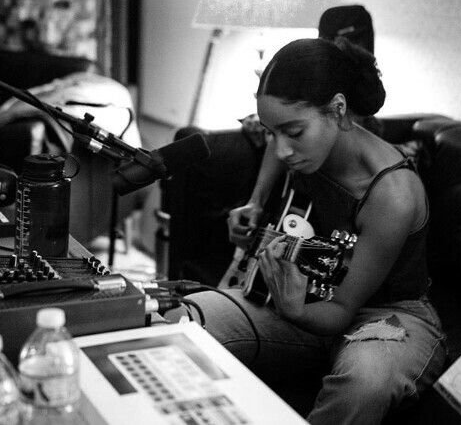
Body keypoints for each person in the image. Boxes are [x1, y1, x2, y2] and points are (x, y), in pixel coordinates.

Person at [169, 37, 446, 424]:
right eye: (272, 131)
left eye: (294, 132)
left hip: (385, 317)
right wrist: (256, 200)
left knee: (364, 382)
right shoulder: (302, 147)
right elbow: (276, 144)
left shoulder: (392, 193)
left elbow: (340, 312)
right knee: (186, 319)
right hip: (310, 298)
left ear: (338, 108)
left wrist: (294, 307)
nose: (283, 149)